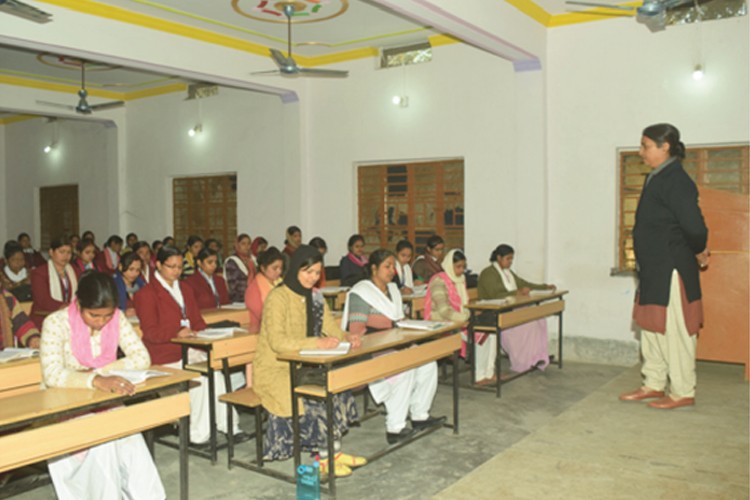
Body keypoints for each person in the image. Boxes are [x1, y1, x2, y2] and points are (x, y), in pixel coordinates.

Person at [39, 271, 165, 500]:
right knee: (104, 439)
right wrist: (94, 380)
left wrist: (100, 374)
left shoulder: (116, 318)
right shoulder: (56, 323)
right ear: (79, 304)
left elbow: (141, 357)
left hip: (101, 399)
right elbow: (52, 374)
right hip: (63, 405)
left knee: (131, 438)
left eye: (107, 316)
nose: (101, 322)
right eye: (94, 315)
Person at [253, 245, 365, 477]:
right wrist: (316, 343)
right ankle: (325, 457)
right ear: (295, 269)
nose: (313, 277)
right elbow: (277, 342)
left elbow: (330, 328)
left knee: (337, 386)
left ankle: (333, 451)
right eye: (308, 272)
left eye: (317, 273)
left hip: (304, 365)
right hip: (276, 369)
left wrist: (347, 337)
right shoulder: (278, 298)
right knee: (315, 397)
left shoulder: (315, 296)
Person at [620, 124, 708, 410]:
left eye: (645, 146)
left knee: (676, 329)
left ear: (665, 146)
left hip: (672, 267)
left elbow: (694, 227)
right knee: (652, 327)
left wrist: (699, 250)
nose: (641, 151)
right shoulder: (656, 178)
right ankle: (654, 383)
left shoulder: (677, 181)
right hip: (652, 269)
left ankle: (683, 390)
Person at [134, 246, 241, 444]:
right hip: (165, 355)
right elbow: (150, 332)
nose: (175, 271)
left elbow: (197, 321)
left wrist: (206, 332)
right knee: (199, 380)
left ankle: (229, 425)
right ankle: (198, 435)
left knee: (216, 375)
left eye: (179, 267)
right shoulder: (146, 294)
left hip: (189, 349)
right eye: (170, 266)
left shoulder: (185, 289)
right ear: (158, 265)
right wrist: (176, 332)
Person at [342, 249, 444, 444]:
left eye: (393, 267)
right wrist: (389, 325)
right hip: (370, 348)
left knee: (428, 363)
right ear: (374, 268)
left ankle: (419, 415)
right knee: (404, 368)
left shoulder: (393, 290)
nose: (392, 271)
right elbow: (356, 329)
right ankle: (395, 427)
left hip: (396, 341)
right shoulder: (361, 292)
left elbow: (398, 318)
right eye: (387, 267)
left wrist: (406, 324)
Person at [477, 244, 555, 373]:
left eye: (511, 259)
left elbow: (524, 283)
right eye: (508, 259)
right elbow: (493, 295)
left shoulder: (508, 273)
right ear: (499, 257)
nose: (510, 262)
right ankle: (524, 361)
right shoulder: (488, 273)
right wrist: (516, 293)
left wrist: (544, 287)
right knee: (528, 324)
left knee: (539, 320)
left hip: (510, 308)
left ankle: (537, 357)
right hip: (494, 312)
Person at [425, 249, 496, 384]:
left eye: (463, 267)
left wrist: (468, 315)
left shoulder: (460, 280)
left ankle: (489, 372)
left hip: (459, 318)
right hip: (441, 321)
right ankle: (479, 375)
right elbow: (444, 310)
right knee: (481, 334)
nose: (461, 270)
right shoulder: (439, 281)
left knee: (492, 333)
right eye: (458, 267)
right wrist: (465, 318)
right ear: (449, 265)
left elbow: (463, 305)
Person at [30, 238, 78, 329]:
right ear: (51, 252)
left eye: (69, 252)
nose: (66, 256)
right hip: (44, 318)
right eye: (62, 252)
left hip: (70, 317)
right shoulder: (39, 273)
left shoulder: (75, 271)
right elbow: (43, 300)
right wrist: (67, 307)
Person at [244, 247, 284, 334]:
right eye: (275, 268)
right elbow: (263, 315)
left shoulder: (282, 283)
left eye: (281, 268)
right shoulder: (253, 289)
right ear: (263, 268)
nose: (279, 272)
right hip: (261, 332)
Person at [223, 234, 256, 303]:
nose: (246, 247)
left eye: (249, 244)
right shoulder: (231, 261)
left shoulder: (253, 260)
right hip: (238, 300)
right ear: (237, 245)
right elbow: (232, 287)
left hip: (254, 297)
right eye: (243, 244)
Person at [113, 252, 146, 316]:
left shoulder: (141, 284)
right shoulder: (112, 285)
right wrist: (123, 313)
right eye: (131, 269)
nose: (134, 273)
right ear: (120, 267)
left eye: (138, 270)